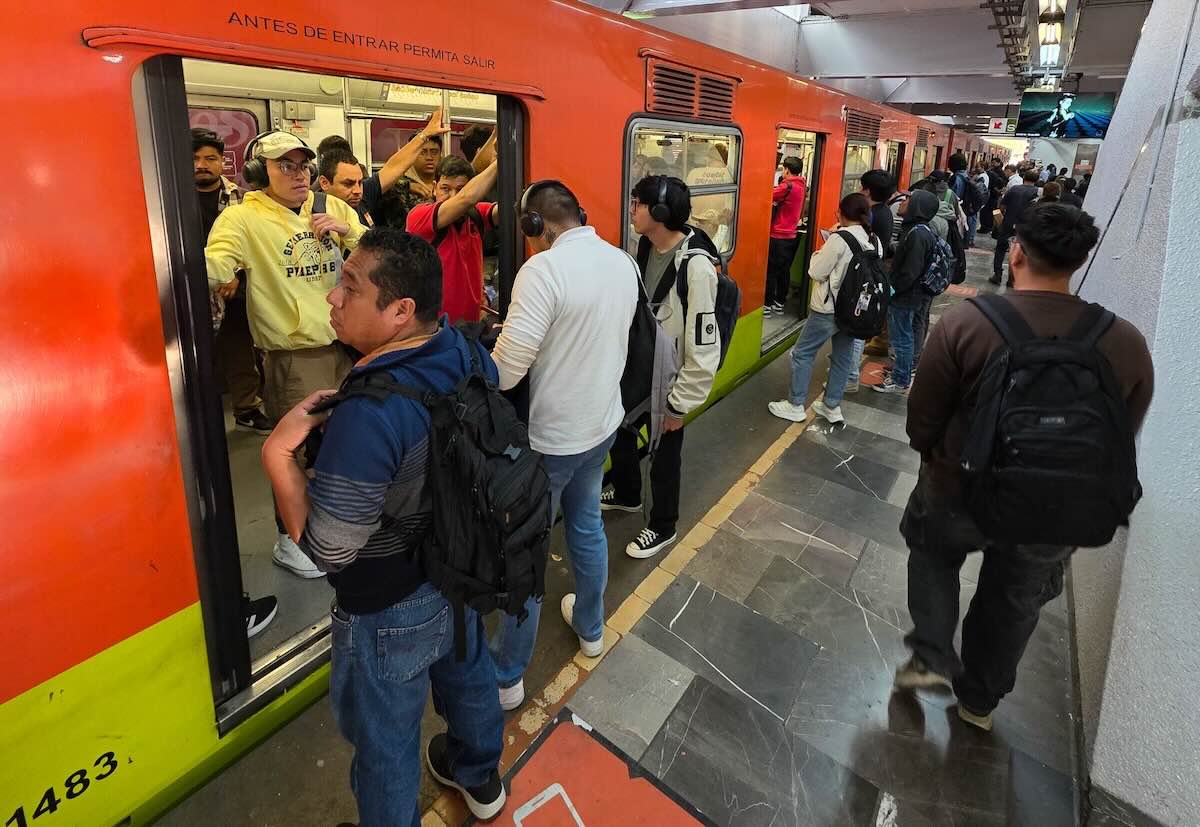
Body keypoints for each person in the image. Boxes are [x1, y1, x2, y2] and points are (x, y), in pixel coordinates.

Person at [262, 228, 506, 823]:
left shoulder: (369, 413)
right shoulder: (464, 349)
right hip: (462, 564)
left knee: (386, 744)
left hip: (390, 604)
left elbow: (329, 550)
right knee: (470, 676)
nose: (332, 297)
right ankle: (480, 777)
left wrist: (278, 455)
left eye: (349, 287)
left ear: (400, 311)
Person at [895, 203, 1154, 730]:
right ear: (1078, 262)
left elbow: (923, 414)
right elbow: (1121, 432)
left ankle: (930, 659)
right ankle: (979, 702)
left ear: (1016, 253)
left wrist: (932, 456)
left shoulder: (967, 322)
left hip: (957, 487)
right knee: (1015, 597)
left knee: (934, 560)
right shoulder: (1124, 341)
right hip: (1055, 504)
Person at [488, 181, 638, 709]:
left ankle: (507, 676)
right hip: (601, 425)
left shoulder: (543, 270)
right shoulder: (622, 260)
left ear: (535, 225)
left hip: (551, 440)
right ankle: (592, 629)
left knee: (525, 554)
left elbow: (506, 374)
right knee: (586, 525)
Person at [205, 131, 366, 578]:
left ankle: (336, 524)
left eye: (303, 165)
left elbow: (378, 252)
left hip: (348, 344)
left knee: (345, 442)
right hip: (295, 354)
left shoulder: (331, 207)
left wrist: (350, 232)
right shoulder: (243, 219)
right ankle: (291, 538)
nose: (298, 175)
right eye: (285, 166)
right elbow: (217, 263)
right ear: (261, 173)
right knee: (296, 450)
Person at [604, 176, 722, 559]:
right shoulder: (645, 246)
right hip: (640, 368)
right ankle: (627, 494)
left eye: (637, 203)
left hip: (669, 379)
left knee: (665, 455)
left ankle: (663, 525)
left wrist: (679, 404)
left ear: (659, 211)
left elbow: (704, 347)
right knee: (621, 430)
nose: (631, 210)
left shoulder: (696, 267)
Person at [768, 193, 882, 424]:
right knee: (842, 358)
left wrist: (821, 249)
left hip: (828, 309)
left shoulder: (839, 239)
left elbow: (816, 272)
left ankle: (795, 404)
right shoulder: (874, 240)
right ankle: (831, 406)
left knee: (802, 353)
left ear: (842, 213)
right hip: (855, 312)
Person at [192, 128, 273, 434]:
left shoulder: (240, 199)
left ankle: (246, 408)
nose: (202, 165)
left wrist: (236, 275)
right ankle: (194, 415)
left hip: (234, 290)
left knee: (241, 351)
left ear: (221, 161)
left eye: (210, 158)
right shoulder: (168, 197)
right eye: (195, 158)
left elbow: (254, 241)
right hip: (190, 292)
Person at [317, 110, 451, 229]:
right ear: (324, 183)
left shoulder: (364, 196)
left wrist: (425, 134)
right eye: (348, 184)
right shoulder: (314, 211)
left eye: (360, 182)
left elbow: (393, 167)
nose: (357, 191)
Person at [405, 156, 500, 323]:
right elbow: (465, 199)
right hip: (434, 327)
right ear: (434, 188)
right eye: (445, 189)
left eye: (461, 189)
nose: (453, 196)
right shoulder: (419, 216)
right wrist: (501, 160)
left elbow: (508, 210)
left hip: (471, 325)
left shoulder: (476, 214)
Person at [874, 189, 940, 394]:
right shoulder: (919, 230)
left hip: (906, 296)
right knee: (903, 336)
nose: (903, 202)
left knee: (901, 338)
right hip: (910, 294)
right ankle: (900, 369)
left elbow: (910, 271)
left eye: (909, 200)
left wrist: (893, 290)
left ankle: (900, 379)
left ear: (917, 206)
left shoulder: (917, 234)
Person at [765, 156, 807, 315]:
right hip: (791, 235)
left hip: (778, 234)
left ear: (787, 170)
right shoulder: (801, 185)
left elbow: (766, 195)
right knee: (784, 270)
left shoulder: (787, 186)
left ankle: (767, 305)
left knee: (770, 271)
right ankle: (779, 302)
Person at [991, 170, 1041, 286]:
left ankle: (997, 274)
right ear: (1036, 180)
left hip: (1008, 223)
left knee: (1001, 249)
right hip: (1024, 226)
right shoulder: (1037, 192)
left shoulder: (1014, 189)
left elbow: (1002, 206)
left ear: (1024, 178)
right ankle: (1012, 278)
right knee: (1019, 251)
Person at [948, 153, 978, 248]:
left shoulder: (955, 178)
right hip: (965, 210)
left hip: (956, 210)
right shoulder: (966, 176)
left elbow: (952, 196)